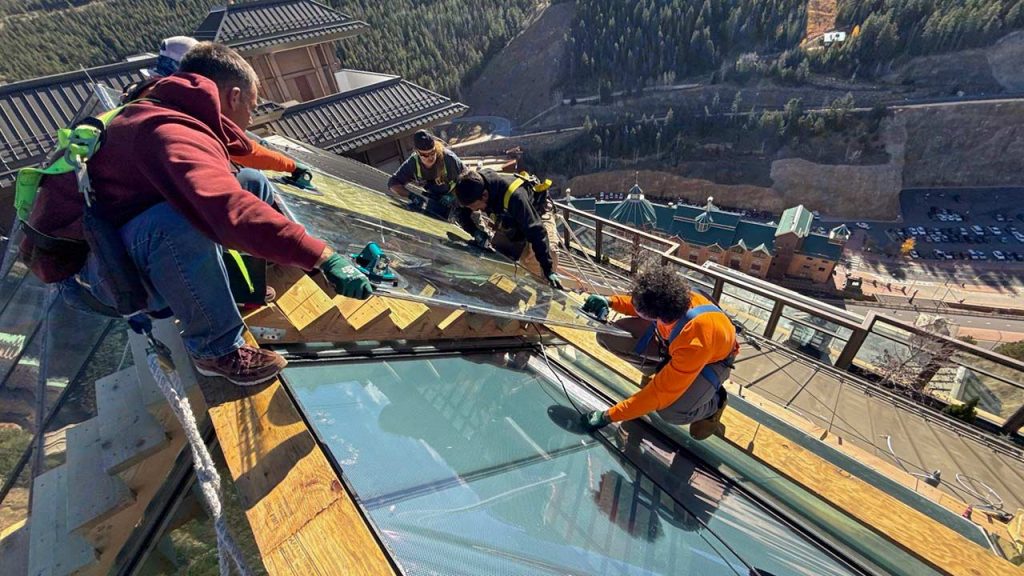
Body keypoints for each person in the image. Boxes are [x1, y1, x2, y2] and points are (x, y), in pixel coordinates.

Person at [22, 42, 372, 386]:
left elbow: (246, 152)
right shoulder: (169, 130)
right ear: (233, 96)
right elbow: (227, 209)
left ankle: (240, 286)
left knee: (250, 181)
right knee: (176, 225)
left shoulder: (173, 103)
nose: (251, 116)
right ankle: (215, 349)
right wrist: (322, 256)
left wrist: (292, 167)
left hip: (119, 240)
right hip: (92, 274)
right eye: (251, 106)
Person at [122, 36, 314, 189]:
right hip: (160, 211)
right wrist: (292, 166)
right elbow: (244, 151)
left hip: (131, 207)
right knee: (253, 181)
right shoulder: (185, 109)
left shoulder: (146, 97)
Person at [579, 266, 738, 440]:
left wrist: (608, 416)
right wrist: (610, 301)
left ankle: (715, 404)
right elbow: (641, 305)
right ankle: (661, 373)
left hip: (712, 362)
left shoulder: (696, 340)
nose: (634, 306)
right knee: (607, 336)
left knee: (670, 411)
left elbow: (658, 394)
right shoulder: (673, 299)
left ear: (657, 316)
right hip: (674, 345)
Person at [452, 168, 563, 289]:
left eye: (475, 206)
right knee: (498, 258)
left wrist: (548, 269)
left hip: (536, 213)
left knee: (541, 257)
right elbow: (463, 211)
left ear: (485, 195)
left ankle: (544, 292)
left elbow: (536, 231)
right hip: (509, 218)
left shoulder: (516, 197)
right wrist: (475, 231)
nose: (474, 210)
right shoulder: (471, 187)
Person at [388, 130, 464, 219]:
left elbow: (468, 180)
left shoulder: (449, 159)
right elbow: (393, 184)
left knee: (470, 224)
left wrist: (453, 196)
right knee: (435, 221)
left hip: (462, 196)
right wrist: (411, 196)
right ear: (417, 152)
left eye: (432, 152)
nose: (430, 157)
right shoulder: (412, 164)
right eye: (425, 155)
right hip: (437, 200)